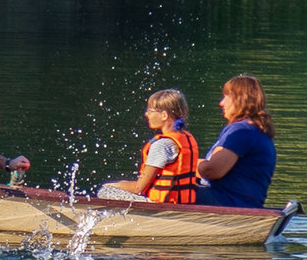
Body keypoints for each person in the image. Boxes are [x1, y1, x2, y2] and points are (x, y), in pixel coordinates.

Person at [100, 89, 201, 202]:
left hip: (162, 205)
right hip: (182, 202)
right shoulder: (186, 137)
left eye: (150, 110)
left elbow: (138, 188)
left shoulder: (161, 146)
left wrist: (113, 185)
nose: (146, 114)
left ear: (164, 115)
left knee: (105, 191)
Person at [194, 74, 277, 208]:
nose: (221, 103)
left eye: (227, 96)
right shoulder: (256, 130)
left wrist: (180, 164)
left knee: (165, 187)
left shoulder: (241, 131)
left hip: (227, 202)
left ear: (240, 100)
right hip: (242, 202)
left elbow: (212, 171)